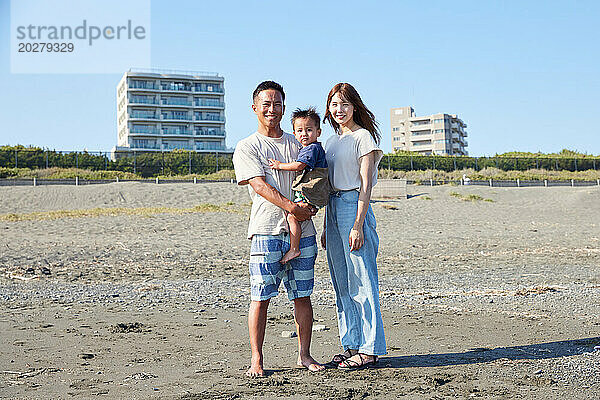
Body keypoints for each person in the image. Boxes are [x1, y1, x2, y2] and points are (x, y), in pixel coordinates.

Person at [232, 81, 325, 377]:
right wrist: (292, 208)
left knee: (303, 294)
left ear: (284, 107)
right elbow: (259, 185)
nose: (272, 109)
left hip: (304, 230)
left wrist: (312, 206)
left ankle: (305, 355)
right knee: (260, 295)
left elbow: (317, 175)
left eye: (277, 104)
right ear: (255, 108)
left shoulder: (298, 141)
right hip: (266, 229)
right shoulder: (248, 146)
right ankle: (257, 358)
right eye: (266, 104)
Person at [322, 82, 387, 370]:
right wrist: (326, 225)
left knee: (362, 280)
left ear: (355, 107)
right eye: (334, 104)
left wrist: (358, 224)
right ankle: (351, 344)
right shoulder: (331, 141)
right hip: (333, 208)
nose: (339, 110)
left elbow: (365, 185)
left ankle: (370, 348)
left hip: (354, 207)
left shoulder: (364, 138)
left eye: (344, 104)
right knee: (341, 282)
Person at [268, 107, 329, 265]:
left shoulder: (312, 148)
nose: (304, 134)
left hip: (311, 192)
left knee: (292, 216)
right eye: (300, 130)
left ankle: (294, 248)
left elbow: (299, 166)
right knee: (296, 216)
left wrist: (280, 165)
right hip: (313, 193)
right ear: (294, 134)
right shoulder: (309, 148)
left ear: (318, 132)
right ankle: (295, 247)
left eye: (309, 130)